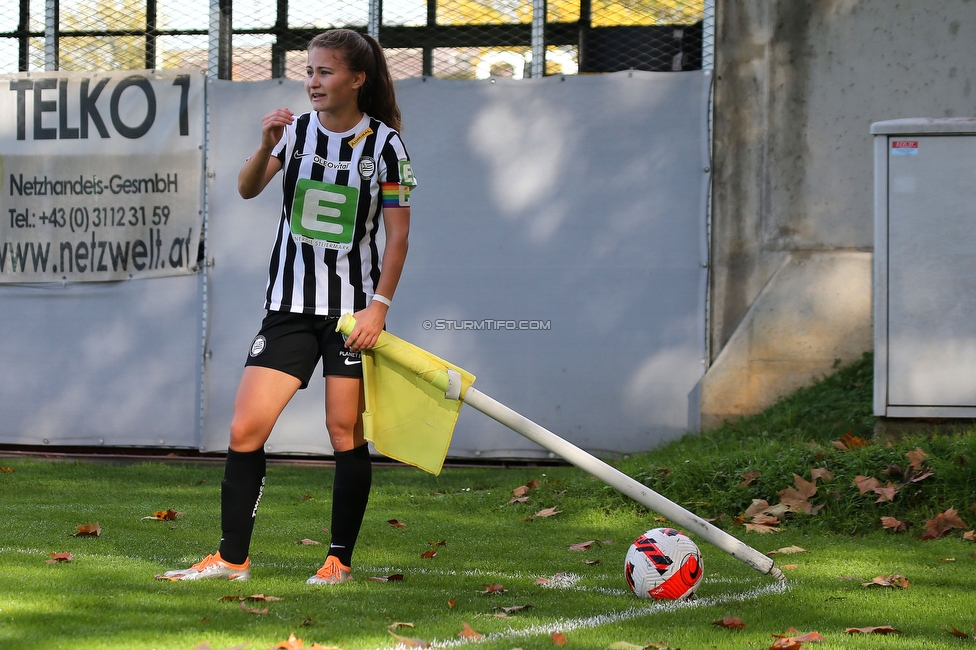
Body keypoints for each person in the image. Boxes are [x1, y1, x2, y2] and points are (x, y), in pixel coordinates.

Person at [161, 28, 415, 585]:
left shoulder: (386, 146)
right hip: (289, 308)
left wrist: (379, 309)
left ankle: (338, 561)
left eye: (325, 72)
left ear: (357, 79)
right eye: (309, 71)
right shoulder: (294, 132)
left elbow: (397, 237)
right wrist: (265, 141)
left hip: (352, 316)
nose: (313, 82)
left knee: (344, 431)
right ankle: (232, 560)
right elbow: (248, 188)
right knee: (245, 428)